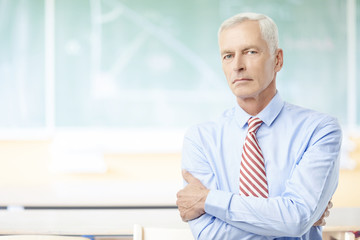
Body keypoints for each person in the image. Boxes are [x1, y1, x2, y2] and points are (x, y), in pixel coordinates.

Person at [176, 12, 342, 239]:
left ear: (278, 60)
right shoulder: (200, 139)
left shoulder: (319, 130)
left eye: (250, 52)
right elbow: (210, 235)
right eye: (227, 56)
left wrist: (208, 200)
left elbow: (296, 219)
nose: (237, 66)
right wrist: (284, 219)